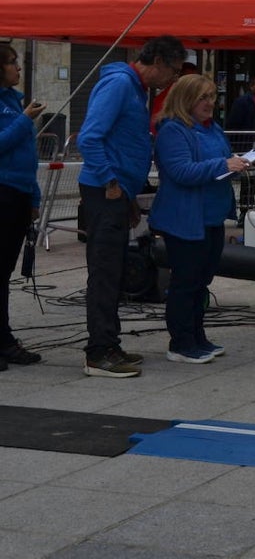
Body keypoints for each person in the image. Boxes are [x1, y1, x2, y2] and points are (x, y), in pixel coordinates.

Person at [78, 35, 187, 378]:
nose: (172, 79)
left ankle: (109, 343)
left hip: (118, 191)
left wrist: (127, 195)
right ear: (156, 62)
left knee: (115, 269)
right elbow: (89, 137)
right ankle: (98, 352)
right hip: (104, 189)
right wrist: (111, 182)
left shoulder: (137, 89)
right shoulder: (120, 85)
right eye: (172, 70)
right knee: (105, 271)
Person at [149, 75, 248, 363]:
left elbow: (221, 160)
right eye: (203, 97)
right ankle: (181, 342)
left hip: (212, 218)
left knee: (202, 280)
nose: (210, 102)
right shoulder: (173, 131)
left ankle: (197, 334)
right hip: (185, 220)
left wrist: (237, 163)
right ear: (186, 98)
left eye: (212, 96)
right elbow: (181, 171)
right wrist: (223, 164)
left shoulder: (211, 127)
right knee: (186, 281)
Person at [0, 45, 45, 369]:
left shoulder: (12, 101)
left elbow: (28, 155)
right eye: (12, 63)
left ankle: (3, 339)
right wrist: (25, 120)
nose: (18, 69)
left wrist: (33, 197)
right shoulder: (14, 108)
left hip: (18, 192)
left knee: (4, 273)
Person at [226, 75, 255, 221]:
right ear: (251, 86)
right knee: (248, 179)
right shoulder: (244, 102)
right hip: (246, 145)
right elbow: (234, 122)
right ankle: (245, 211)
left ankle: (249, 207)